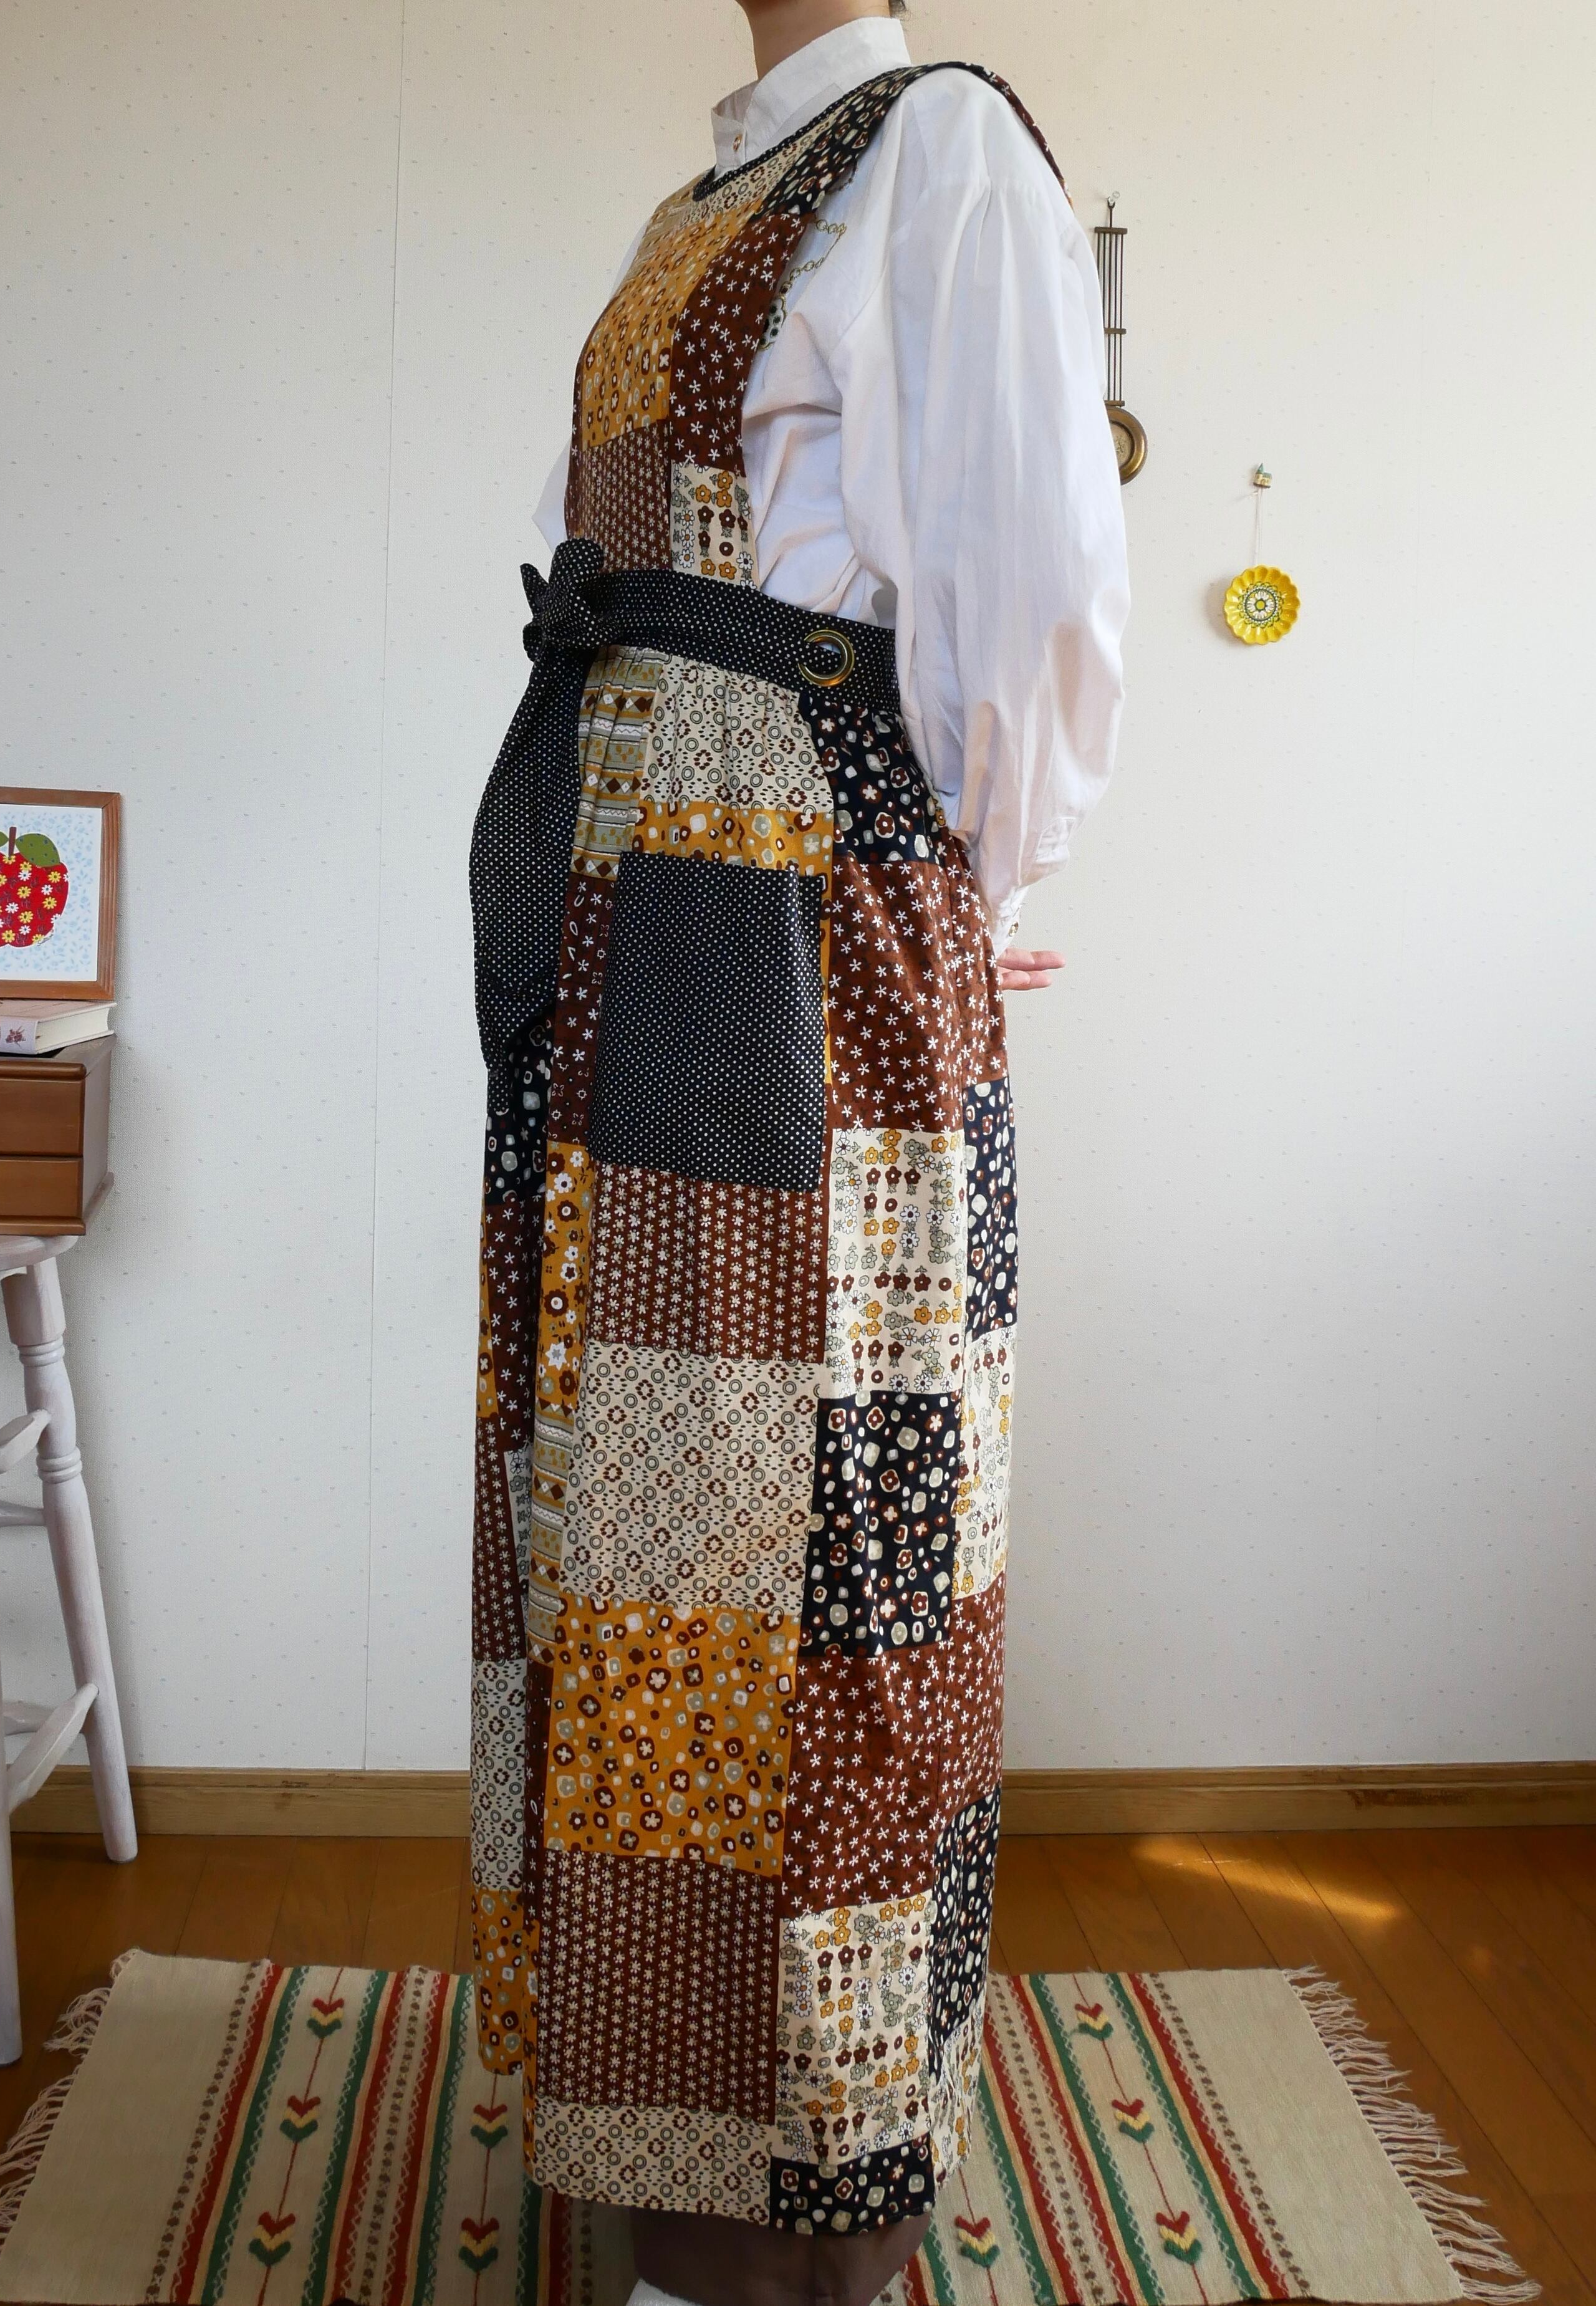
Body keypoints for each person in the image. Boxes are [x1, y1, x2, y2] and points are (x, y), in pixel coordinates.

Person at [466, 1, 1128, 2300]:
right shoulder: (708, 195)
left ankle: (790, 2211)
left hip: (794, 935)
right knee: (625, 1527)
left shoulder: (944, 156)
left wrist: (943, 912)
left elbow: (1034, 604)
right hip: (629, 901)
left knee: (821, 1544)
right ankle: (653, 2148)